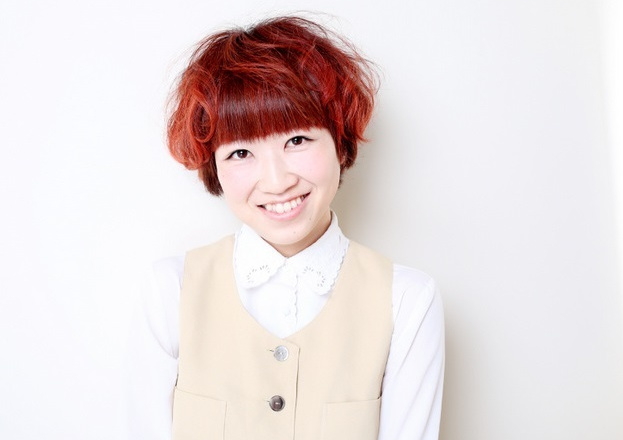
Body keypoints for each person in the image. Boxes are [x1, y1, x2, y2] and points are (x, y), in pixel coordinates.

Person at [127, 15, 444, 440]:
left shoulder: (405, 300)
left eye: (297, 140)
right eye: (241, 153)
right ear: (214, 167)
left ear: (340, 142)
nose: (276, 182)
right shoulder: (172, 290)